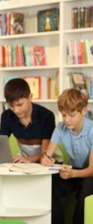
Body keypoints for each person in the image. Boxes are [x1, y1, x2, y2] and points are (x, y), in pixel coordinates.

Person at [40, 88, 93, 224]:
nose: (67, 120)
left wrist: (72, 174)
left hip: (89, 173)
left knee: (86, 190)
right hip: (73, 170)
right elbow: (46, 155)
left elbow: (91, 170)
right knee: (49, 185)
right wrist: (45, 159)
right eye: (63, 115)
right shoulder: (60, 128)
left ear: (84, 111)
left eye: (72, 115)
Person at [0, 78, 62, 163]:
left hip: (50, 162)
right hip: (25, 162)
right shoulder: (6, 116)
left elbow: (45, 155)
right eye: (11, 106)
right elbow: (0, 145)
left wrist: (28, 159)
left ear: (30, 97)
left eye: (20, 105)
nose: (16, 110)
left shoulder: (46, 116)